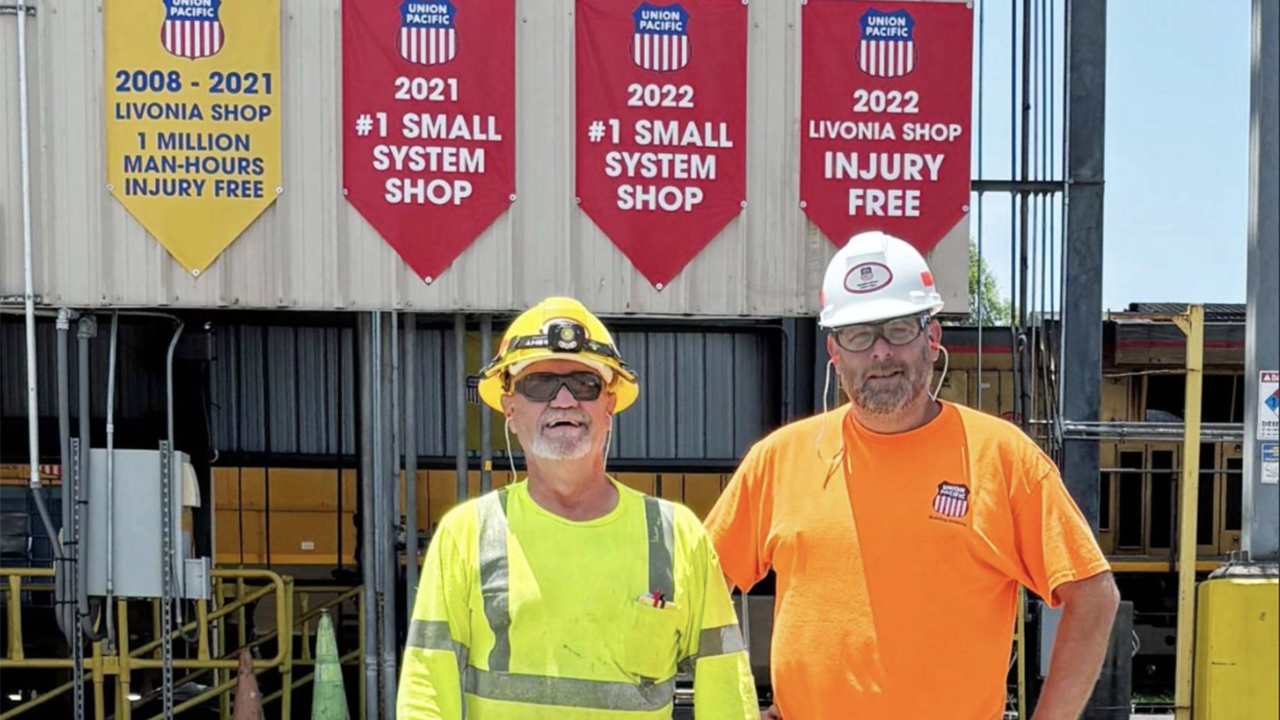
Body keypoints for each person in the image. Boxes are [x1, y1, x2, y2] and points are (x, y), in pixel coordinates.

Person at [705, 232, 1120, 720]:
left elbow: (1094, 597)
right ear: (835, 354)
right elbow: (701, 589)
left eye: (898, 328)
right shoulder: (779, 460)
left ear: (932, 337)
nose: (880, 352)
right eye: (859, 335)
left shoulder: (1004, 459)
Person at [398, 297, 759, 720]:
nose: (564, 400)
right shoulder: (468, 534)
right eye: (540, 384)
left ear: (609, 406)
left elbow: (726, 693)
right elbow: (426, 693)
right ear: (510, 410)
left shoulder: (676, 535)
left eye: (584, 385)